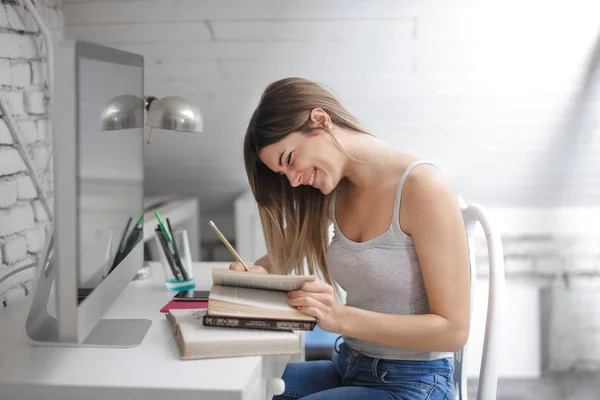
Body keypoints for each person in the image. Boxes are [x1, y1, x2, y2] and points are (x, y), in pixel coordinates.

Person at [230, 77, 471, 400]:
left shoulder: (422, 186)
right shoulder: (335, 189)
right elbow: (279, 258)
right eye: (282, 174)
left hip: (415, 382)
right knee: (243, 388)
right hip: (348, 365)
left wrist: (339, 317)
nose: (293, 180)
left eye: (289, 160)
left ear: (319, 121)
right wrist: (253, 276)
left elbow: (454, 331)